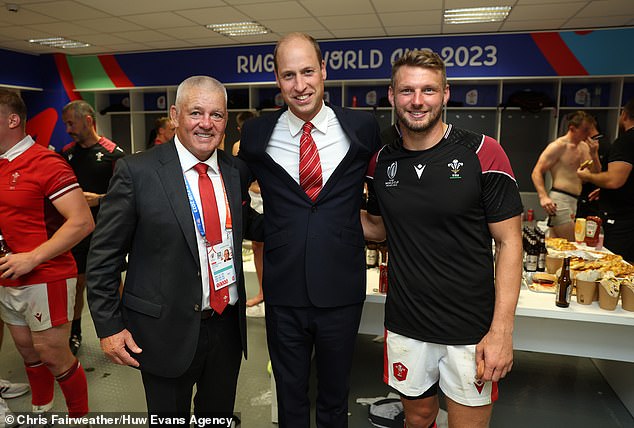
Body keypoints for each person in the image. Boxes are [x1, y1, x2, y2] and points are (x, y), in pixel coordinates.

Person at [361, 50, 523, 428]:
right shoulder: (380, 160)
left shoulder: (484, 153)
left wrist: (501, 330)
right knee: (417, 417)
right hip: (406, 322)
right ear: (391, 96)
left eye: (428, 90)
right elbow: (377, 229)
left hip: (471, 327)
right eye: (407, 91)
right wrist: (312, 209)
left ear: (446, 94)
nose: (417, 101)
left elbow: (510, 242)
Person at [86, 76, 260, 420]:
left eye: (217, 115)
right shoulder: (138, 172)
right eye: (196, 112)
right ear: (175, 115)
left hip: (226, 327)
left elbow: (247, 223)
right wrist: (108, 327)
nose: (206, 124)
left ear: (226, 120)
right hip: (164, 330)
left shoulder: (233, 169)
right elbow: (103, 257)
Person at [238, 32, 382, 428]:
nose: (299, 85)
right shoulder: (256, 134)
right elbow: (230, 194)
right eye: (288, 75)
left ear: (323, 70)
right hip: (284, 293)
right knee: (290, 398)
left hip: (341, 291)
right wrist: (270, 227)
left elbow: (386, 186)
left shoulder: (362, 127)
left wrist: (381, 226)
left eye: (307, 72)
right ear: (277, 80)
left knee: (335, 399)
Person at [0, 89, 94, 418]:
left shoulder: (45, 162)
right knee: (27, 352)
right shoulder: (1, 164)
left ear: (12, 119)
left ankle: (80, 419)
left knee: (53, 354)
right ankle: (41, 413)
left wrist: (32, 257)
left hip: (46, 275)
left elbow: (82, 222)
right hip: (8, 276)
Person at [60, 100, 125, 355]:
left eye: (71, 123)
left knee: (113, 281)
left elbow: (125, 197)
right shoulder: (66, 154)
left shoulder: (113, 154)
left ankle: (125, 328)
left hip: (106, 231)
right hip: (76, 232)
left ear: (88, 121)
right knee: (77, 284)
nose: (67, 129)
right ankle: (74, 332)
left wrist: (98, 199)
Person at [577, 98, 634, 262]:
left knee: (617, 268)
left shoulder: (625, 141)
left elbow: (614, 180)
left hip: (623, 219)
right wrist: (605, 190)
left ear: (623, 114)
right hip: (625, 213)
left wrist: (588, 177)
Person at [531, 110, 600, 240]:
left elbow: (597, 175)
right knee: (573, 242)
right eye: (585, 130)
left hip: (575, 201)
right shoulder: (558, 146)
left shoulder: (584, 147)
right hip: (559, 200)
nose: (588, 134)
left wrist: (594, 154)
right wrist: (543, 196)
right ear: (572, 128)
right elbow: (536, 172)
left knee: (556, 246)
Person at [232, 111, 265, 311]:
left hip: (270, 198)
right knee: (257, 247)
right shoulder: (238, 147)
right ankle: (262, 291)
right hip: (252, 197)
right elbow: (240, 178)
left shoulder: (268, 143)